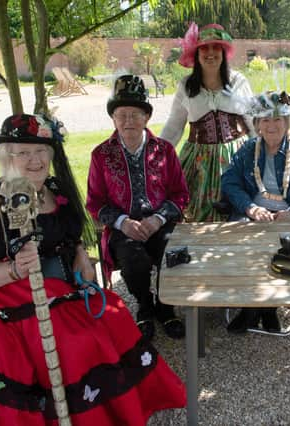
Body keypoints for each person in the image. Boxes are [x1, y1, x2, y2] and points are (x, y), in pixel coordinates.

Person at [0, 113, 186, 425]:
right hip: (8, 298)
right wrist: (13, 270)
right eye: (22, 152)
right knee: (78, 341)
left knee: (115, 314)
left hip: (60, 287)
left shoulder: (55, 190)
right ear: (6, 156)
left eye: (40, 151)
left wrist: (79, 252)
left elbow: (71, 236)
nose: (34, 160)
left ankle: (118, 408)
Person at [87, 75, 190, 342]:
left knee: (173, 253)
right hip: (123, 228)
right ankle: (145, 306)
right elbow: (95, 202)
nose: (128, 121)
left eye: (135, 114)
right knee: (134, 260)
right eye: (121, 115)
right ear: (113, 119)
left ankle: (165, 307)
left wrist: (157, 219)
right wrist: (122, 222)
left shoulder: (165, 151)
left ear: (146, 117)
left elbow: (180, 194)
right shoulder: (101, 155)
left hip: (160, 223)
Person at [221, 91, 290, 333]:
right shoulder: (249, 149)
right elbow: (229, 182)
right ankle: (262, 308)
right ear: (258, 125)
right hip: (256, 213)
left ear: (287, 122)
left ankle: (258, 310)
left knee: (283, 246)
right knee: (242, 242)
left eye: (278, 119)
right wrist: (250, 207)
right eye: (266, 120)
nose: (272, 125)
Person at [160, 22, 255, 222]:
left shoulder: (238, 81)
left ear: (223, 51)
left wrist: (262, 152)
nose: (210, 53)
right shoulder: (186, 85)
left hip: (236, 156)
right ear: (196, 53)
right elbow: (174, 125)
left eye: (216, 47)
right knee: (196, 218)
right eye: (204, 48)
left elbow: (252, 119)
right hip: (198, 161)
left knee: (236, 213)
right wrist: (156, 157)